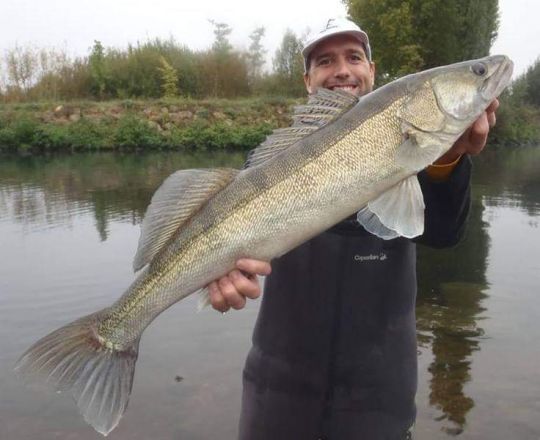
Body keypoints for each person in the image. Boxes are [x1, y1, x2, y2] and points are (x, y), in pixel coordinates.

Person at [206, 18, 499, 440]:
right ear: (308, 81)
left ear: (373, 72)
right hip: (277, 390)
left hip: (379, 396)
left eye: (354, 57)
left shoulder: (414, 152)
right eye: (325, 61)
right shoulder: (268, 163)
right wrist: (223, 277)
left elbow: (442, 232)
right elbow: (236, 249)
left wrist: (447, 158)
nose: (342, 69)